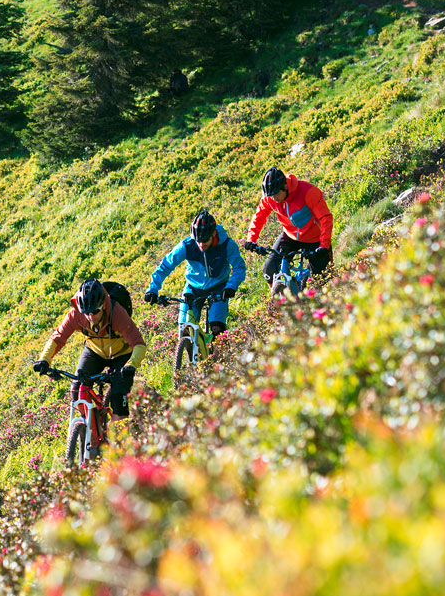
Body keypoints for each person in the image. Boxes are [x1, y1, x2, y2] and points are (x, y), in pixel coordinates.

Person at [32, 278, 147, 418]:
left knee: (118, 402)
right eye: (86, 312)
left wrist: (131, 365)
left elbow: (138, 344)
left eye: (95, 311)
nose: (91, 317)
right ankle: (89, 428)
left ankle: (118, 434)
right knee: (76, 391)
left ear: (104, 305)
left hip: (121, 355)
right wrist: (44, 359)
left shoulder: (117, 313)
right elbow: (58, 337)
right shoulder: (76, 314)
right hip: (94, 352)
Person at [142, 209, 246, 340]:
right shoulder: (187, 245)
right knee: (184, 329)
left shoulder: (227, 245)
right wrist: (152, 290)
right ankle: (189, 356)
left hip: (219, 287)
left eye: (205, 241)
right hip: (193, 288)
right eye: (198, 241)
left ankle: (220, 356)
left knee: (217, 329)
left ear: (213, 234)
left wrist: (231, 286)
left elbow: (239, 268)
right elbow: (165, 266)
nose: (201, 245)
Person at [245, 166, 335, 295]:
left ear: (285, 187)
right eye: (270, 195)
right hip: (290, 236)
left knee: (323, 284)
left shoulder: (307, 192)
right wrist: (251, 240)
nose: (273, 198)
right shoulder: (270, 197)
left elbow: (325, 218)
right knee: (268, 269)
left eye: (276, 194)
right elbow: (259, 217)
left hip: (314, 238)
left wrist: (324, 246)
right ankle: (277, 304)